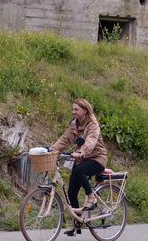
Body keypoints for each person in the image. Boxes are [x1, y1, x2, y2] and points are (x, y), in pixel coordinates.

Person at [50, 99, 107, 236]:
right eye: (72, 109)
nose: (73, 112)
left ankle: (91, 196)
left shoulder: (93, 124)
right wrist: (52, 148)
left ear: (85, 111)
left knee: (80, 170)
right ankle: (77, 225)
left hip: (97, 158)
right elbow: (65, 139)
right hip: (81, 159)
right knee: (71, 193)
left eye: (76, 109)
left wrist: (82, 151)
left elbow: (91, 140)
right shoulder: (74, 124)